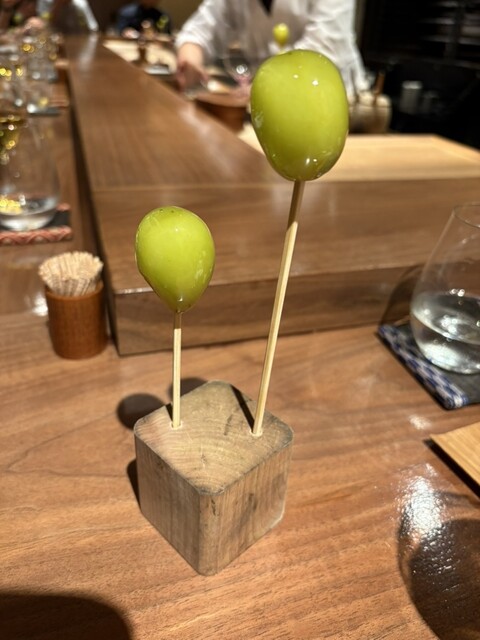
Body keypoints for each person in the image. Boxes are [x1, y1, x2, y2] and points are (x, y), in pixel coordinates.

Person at [175, 0, 368, 97]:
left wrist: (264, 87)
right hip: (265, 104)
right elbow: (200, 29)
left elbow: (325, 45)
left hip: (333, 101)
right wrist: (190, 60)